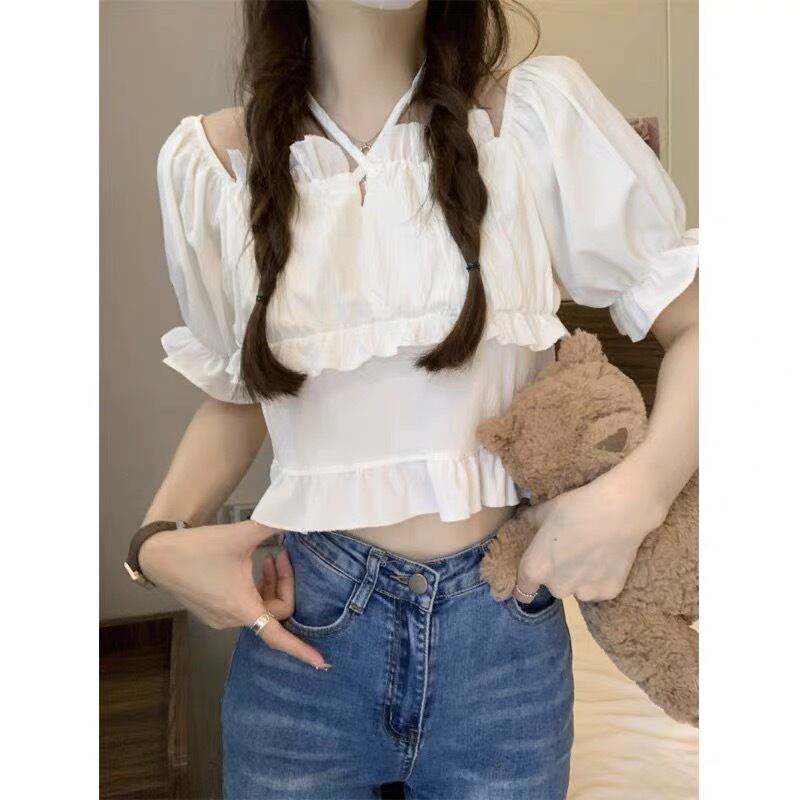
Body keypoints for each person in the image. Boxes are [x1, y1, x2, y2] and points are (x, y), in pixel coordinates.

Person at [131, 1, 699, 797]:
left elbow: (706, 320)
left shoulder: (534, 119)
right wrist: (155, 542)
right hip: (309, 627)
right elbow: (239, 394)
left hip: (503, 627)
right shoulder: (212, 162)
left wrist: (638, 495)